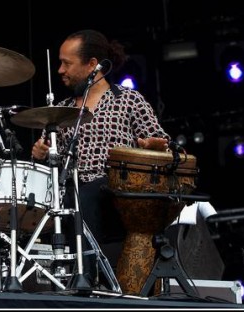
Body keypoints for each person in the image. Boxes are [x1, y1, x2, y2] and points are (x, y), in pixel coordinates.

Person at [31, 29, 172, 286]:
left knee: (88, 193)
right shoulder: (61, 112)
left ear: (92, 65)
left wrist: (155, 147)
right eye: (60, 62)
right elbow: (48, 161)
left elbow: (165, 149)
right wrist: (40, 153)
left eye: (67, 63)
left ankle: (86, 277)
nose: (60, 70)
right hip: (74, 194)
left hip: (118, 193)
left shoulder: (129, 101)